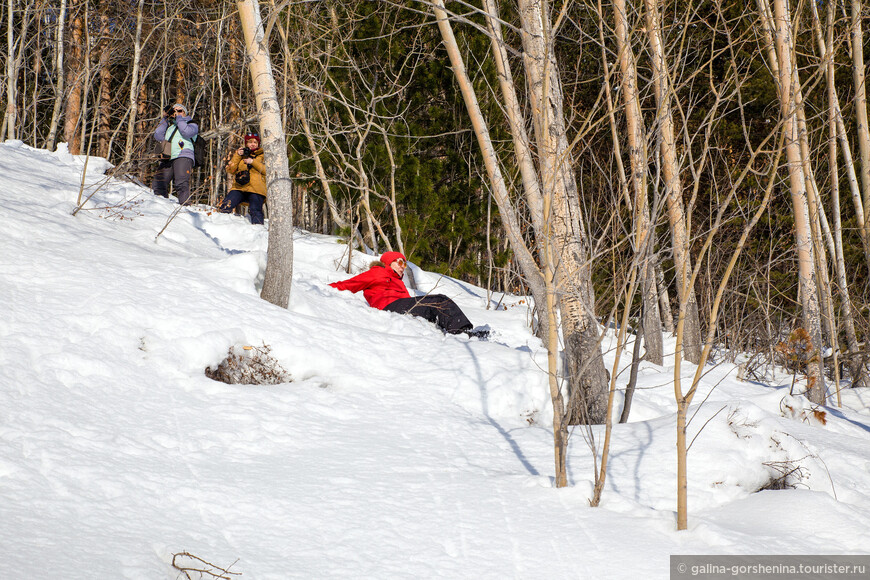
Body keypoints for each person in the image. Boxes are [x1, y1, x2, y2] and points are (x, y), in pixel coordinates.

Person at [329, 251, 488, 338]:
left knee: (436, 304)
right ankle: (461, 332)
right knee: (439, 300)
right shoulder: (376, 272)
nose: (403, 266)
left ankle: (458, 331)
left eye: (404, 263)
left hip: (403, 306)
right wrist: (316, 287)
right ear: (389, 262)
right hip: (388, 307)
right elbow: (347, 285)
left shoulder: (398, 280)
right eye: (399, 262)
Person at [152, 103, 199, 205]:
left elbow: (186, 132)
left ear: (185, 113)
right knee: (159, 182)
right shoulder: (170, 126)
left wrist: (179, 119)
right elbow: (158, 135)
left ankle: (185, 207)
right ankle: (161, 206)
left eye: (180, 111)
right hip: (168, 156)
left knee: (181, 183)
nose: (177, 113)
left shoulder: (192, 124)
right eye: (174, 111)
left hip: (184, 155)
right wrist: (165, 118)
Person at [219, 133, 267, 225]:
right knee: (226, 204)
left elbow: (267, 171)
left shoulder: (264, 155)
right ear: (246, 144)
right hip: (239, 187)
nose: (253, 144)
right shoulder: (240, 155)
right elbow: (230, 169)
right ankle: (221, 226)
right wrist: (237, 155)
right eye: (250, 142)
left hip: (256, 189)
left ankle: (259, 232)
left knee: (255, 210)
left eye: (255, 142)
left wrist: (253, 162)